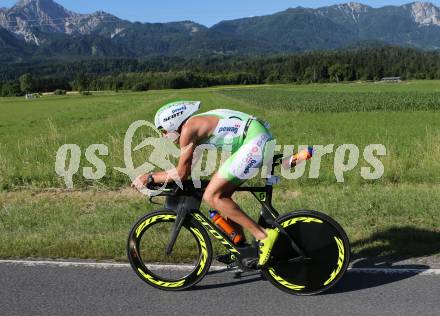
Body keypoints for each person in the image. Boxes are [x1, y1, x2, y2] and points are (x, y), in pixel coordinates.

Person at [131, 100, 279, 267]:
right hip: (257, 138)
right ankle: (241, 247)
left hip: (254, 142)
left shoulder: (188, 129)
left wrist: (150, 178)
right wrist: (160, 177)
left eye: (163, 131)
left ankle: (264, 236)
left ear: (173, 122)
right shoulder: (195, 125)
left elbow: (181, 173)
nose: (163, 136)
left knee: (212, 195)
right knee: (222, 196)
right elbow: (186, 171)